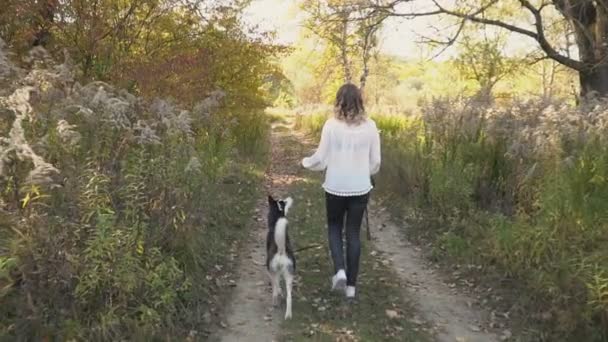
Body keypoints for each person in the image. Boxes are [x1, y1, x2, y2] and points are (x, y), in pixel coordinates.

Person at [301, 83, 381, 299]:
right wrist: (365, 173)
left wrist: (306, 163)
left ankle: (340, 271)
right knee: (353, 233)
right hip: (360, 188)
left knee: (335, 227)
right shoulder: (371, 126)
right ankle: (351, 288)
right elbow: (376, 162)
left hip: (335, 187)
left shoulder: (331, 125)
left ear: (338, 101)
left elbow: (321, 159)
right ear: (360, 102)